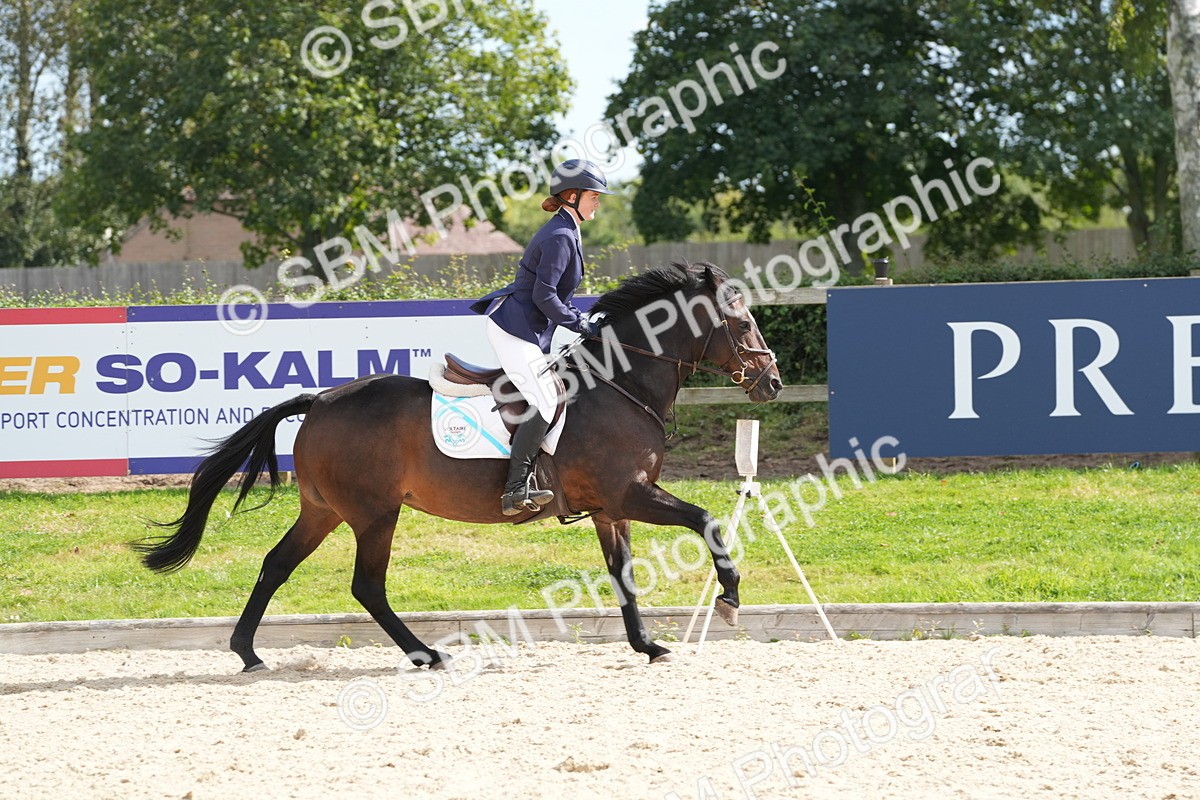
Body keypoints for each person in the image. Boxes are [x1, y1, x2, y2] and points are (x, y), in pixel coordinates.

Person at [469, 159, 613, 515]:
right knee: (547, 399)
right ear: (572, 196)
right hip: (514, 329)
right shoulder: (560, 235)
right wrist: (579, 324)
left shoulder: (567, 230)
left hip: (528, 329)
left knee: (554, 392)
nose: (597, 202)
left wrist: (584, 319)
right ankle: (515, 489)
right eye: (593, 196)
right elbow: (544, 295)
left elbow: (557, 296)